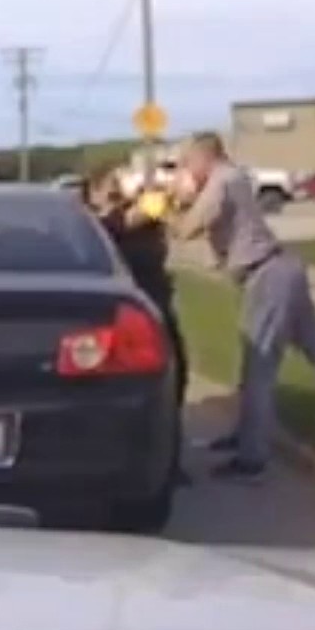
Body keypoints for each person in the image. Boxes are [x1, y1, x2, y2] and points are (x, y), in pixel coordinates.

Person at [167, 132, 315, 482]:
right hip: (280, 269)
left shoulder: (222, 180)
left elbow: (189, 228)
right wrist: (181, 200)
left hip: (265, 275)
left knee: (259, 367)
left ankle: (252, 459)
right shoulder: (230, 178)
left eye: (188, 162)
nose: (187, 170)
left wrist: (164, 212)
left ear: (205, 157)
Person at [87, 166, 190, 486]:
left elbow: (174, 222)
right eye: (111, 186)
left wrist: (166, 199)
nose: (119, 191)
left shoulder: (142, 215)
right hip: (130, 313)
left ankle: (169, 460)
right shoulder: (100, 224)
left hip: (157, 300)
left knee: (176, 378)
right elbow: (130, 219)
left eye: (120, 185)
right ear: (94, 193)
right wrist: (149, 202)